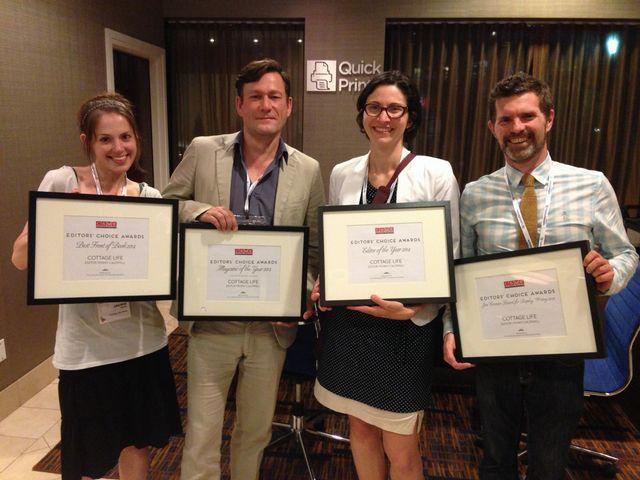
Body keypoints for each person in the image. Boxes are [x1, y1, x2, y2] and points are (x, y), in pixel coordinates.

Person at [443, 72, 639, 479]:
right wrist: (451, 329)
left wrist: (608, 275)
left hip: (562, 350)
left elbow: (625, 254)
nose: (517, 128)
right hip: (495, 349)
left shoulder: (592, 185)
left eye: (527, 116)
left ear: (548, 119)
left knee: (549, 464)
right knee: (495, 460)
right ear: (492, 127)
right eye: (505, 119)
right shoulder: (476, 194)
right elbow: (460, 270)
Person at [162, 58, 324, 480]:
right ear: (239, 104)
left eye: (274, 97)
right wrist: (198, 211)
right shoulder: (203, 150)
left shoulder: (308, 169)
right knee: (202, 432)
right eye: (255, 97)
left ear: (289, 106)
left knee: (254, 432)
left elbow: (313, 249)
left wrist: (297, 296)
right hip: (212, 323)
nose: (265, 105)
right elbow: (164, 208)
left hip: (269, 329)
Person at [11, 92, 182, 480]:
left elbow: (164, 279)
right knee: (87, 452)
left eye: (126, 137)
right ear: (88, 142)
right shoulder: (62, 182)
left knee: (137, 443)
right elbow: (19, 258)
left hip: (142, 345)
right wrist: (59, 218)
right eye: (106, 139)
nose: (118, 148)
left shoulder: (150, 198)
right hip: (84, 352)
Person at [310, 71, 460, 480]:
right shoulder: (342, 172)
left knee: (401, 444)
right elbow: (339, 244)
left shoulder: (436, 173)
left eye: (395, 108)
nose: (384, 117)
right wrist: (328, 280)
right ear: (362, 115)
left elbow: (450, 254)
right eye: (374, 107)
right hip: (351, 324)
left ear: (410, 118)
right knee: (359, 429)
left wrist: (414, 307)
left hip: (405, 329)